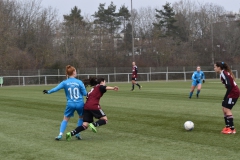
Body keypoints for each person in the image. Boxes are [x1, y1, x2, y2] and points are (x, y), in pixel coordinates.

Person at [43, 65, 87, 140]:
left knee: (65, 119)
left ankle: (60, 135)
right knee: (81, 118)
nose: (76, 72)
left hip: (70, 103)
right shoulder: (79, 82)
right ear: (73, 72)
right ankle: (78, 133)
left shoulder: (65, 82)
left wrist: (48, 92)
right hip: (80, 103)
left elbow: (56, 89)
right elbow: (85, 93)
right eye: (75, 71)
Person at [214, 61, 239, 134]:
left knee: (227, 109)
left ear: (219, 67)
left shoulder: (224, 74)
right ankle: (227, 127)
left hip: (234, 93)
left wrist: (226, 97)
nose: (214, 68)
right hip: (232, 92)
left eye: (215, 67)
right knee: (223, 108)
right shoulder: (223, 73)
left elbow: (230, 86)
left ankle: (232, 129)